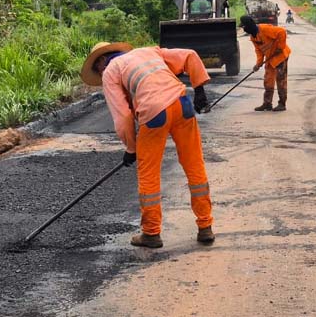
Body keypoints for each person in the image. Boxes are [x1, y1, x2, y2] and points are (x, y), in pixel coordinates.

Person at [81, 42, 215, 249]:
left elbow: (123, 116)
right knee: (194, 165)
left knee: (149, 173)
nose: (99, 74)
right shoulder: (148, 51)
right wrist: (199, 90)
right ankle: (205, 226)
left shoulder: (110, 71)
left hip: (154, 113)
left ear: (101, 61)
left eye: (97, 69)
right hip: (182, 105)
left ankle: (151, 233)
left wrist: (131, 148)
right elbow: (189, 54)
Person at [239, 15, 292, 111]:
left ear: (249, 25)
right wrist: (258, 64)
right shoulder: (253, 37)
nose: (243, 29)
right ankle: (267, 103)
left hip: (280, 56)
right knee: (268, 80)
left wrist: (280, 47)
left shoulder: (265, 29)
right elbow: (259, 51)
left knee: (280, 80)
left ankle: (282, 104)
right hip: (270, 58)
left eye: (244, 27)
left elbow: (282, 31)